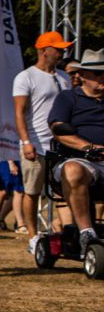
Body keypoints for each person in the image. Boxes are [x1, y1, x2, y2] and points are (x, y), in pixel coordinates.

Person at [13, 31, 72, 252]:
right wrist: (26, 142)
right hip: (35, 145)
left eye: (62, 49)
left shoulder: (64, 78)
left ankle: (66, 231)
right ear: (43, 50)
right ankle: (32, 236)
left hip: (61, 146)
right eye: (57, 49)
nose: (61, 52)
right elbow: (19, 113)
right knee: (32, 191)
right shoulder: (25, 77)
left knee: (63, 191)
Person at [47, 47, 104, 257]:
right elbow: (58, 130)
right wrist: (90, 148)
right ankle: (86, 233)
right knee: (73, 170)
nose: (102, 78)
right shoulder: (68, 98)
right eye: (98, 73)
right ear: (83, 75)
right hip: (80, 159)